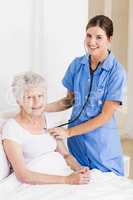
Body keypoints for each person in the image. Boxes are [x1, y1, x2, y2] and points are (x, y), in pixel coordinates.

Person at [47, 15, 126, 176]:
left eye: (99, 37)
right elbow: (69, 101)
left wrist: (67, 133)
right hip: (77, 146)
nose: (92, 42)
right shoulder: (77, 65)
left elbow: (105, 116)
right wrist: (40, 107)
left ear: (109, 39)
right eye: (89, 35)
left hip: (102, 148)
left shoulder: (117, 72)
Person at [2, 71, 90, 185]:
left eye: (40, 96)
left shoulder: (48, 120)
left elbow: (66, 155)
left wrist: (79, 169)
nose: (37, 102)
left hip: (64, 173)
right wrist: (66, 180)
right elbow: (23, 175)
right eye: (29, 97)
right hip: (38, 183)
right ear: (18, 100)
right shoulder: (12, 128)